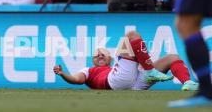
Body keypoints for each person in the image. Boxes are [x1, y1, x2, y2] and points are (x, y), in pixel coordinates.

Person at [54, 31, 198, 91]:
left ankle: (187, 83)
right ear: (92, 60)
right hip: (114, 82)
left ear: (111, 59)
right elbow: (75, 79)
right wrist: (62, 74)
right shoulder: (88, 70)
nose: (99, 56)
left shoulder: (117, 67)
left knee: (172, 57)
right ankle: (150, 71)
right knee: (131, 35)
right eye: (96, 55)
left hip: (135, 84)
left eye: (103, 54)